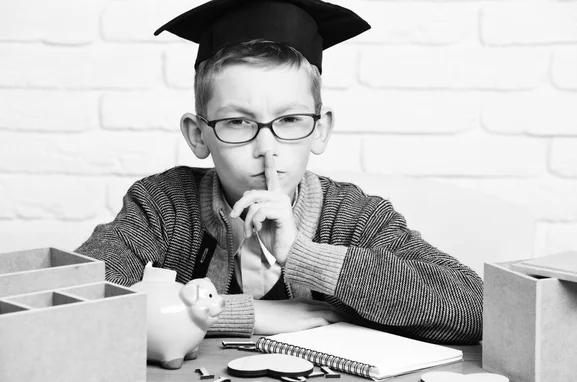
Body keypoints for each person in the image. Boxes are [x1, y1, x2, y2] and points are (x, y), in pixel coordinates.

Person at [76, 0, 483, 344]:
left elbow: (475, 308)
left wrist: (304, 256)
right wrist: (243, 314)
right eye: (237, 122)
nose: (266, 148)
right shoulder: (161, 206)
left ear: (320, 131)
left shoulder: (355, 217)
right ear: (198, 136)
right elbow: (75, 301)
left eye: (289, 121)